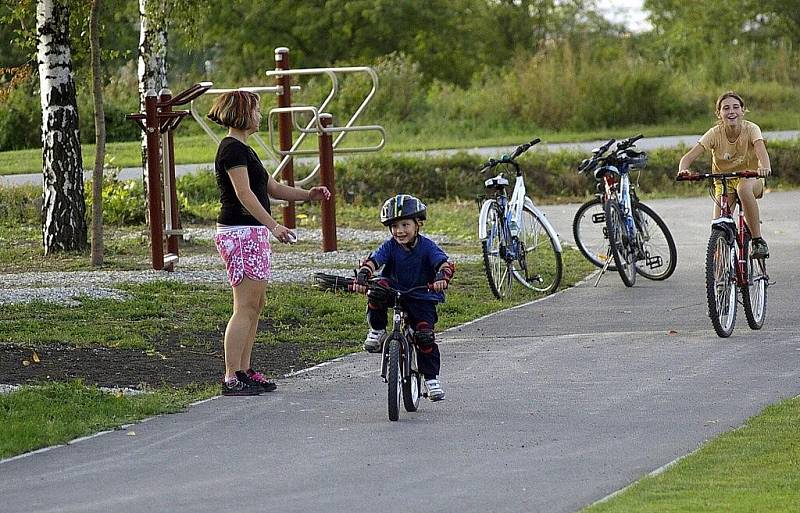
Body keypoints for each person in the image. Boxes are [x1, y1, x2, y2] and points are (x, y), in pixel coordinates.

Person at [208, 90, 331, 396]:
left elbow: (271, 187)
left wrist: (307, 195)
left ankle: (245, 369)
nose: (260, 116)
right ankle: (231, 377)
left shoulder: (244, 149)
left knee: (256, 304)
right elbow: (244, 194)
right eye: (256, 110)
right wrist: (274, 225)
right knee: (245, 305)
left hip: (251, 232)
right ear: (241, 113)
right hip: (239, 232)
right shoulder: (231, 150)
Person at [351, 194, 455, 401]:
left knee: (424, 335)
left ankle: (431, 379)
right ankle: (377, 330)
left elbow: (443, 264)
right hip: (394, 291)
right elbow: (374, 260)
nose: (399, 231)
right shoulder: (390, 246)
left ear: (418, 225)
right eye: (394, 226)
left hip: (422, 295)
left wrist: (443, 277)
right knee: (377, 288)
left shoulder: (427, 246)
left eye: (405, 225)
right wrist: (364, 275)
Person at [677, 91, 772, 258]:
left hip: (750, 178)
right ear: (719, 113)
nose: (731, 112)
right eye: (726, 108)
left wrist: (764, 167)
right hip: (723, 182)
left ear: (743, 110)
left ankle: (758, 240)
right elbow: (689, 157)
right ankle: (721, 274)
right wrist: (683, 169)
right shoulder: (714, 133)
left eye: (736, 107)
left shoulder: (752, 129)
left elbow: (761, 151)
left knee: (743, 189)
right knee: (718, 226)